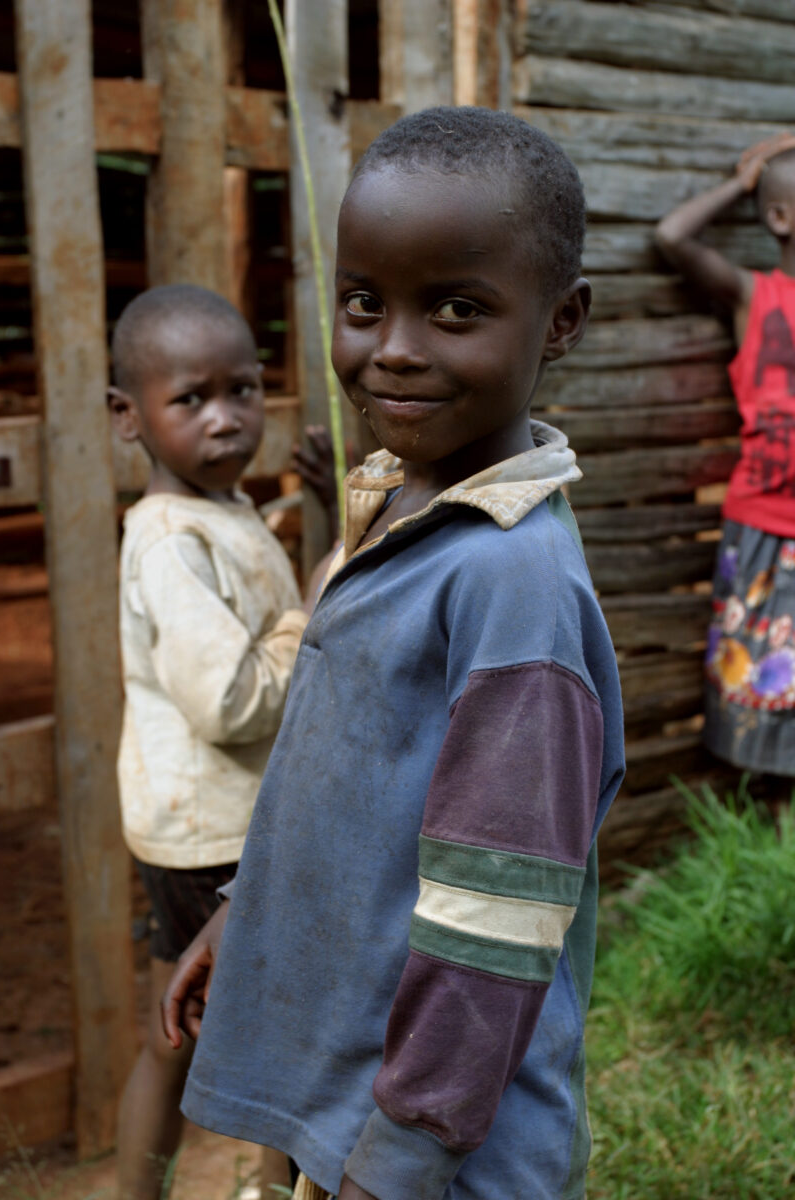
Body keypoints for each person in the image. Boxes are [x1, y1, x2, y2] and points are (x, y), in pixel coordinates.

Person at [163, 108, 625, 1200]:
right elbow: (347, 774)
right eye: (366, 302)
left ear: (560, 323)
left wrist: (404, 1158)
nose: (396, 348)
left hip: (443, 1151)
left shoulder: (512, 586)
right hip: (356, 1095)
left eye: (457, 309)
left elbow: (492, 918)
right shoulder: (403, 503)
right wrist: (248, 910)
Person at [108, 284, 306, 1200]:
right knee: (267, 1035)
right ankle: (266, 1189)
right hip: (215, 842)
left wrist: (303, 530)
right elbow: (234, 700)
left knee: (180, 1031)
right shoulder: (165, 541)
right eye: (191, 399)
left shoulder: (220, 511)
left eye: (244, 390)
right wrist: (324, 598)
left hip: (196, 829)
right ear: (128, 418)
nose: (226, 419)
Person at [656, 131, 795, 777]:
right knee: (750, 665)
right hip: (762, 521)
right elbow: (672, 237)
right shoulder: (754, 295)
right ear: (779, 218)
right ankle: (756, 812)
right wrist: (744, 183)